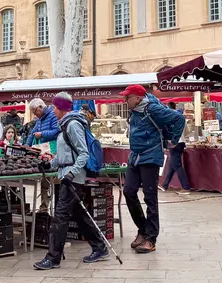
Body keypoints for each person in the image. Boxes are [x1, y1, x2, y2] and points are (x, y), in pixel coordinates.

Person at [34, 93, 109, 270]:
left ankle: (53, 258)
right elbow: (64, 155)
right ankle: (99, 247)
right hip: (66, 176)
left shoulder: (73, 124)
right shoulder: (65, 124)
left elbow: (83, 153)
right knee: (78, 214)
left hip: (72, 178)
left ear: (60, 108)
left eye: (54, 107)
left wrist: (72, 173)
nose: (52, 110)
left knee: (60, 217)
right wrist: (49, 164)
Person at [122, 84, 185, 254]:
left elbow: (179, 119)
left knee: (150, 197)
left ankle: (150, 238)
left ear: (137, 97)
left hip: (151, 156)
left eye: (128, 97)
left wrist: (173, 139)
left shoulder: (153, 109)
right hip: (135, 156)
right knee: (128, 191)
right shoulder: (135, 109)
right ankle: (143, 229)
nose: (125, 100)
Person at [161, 109, 192, 193]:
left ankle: (186, 187)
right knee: (172, 164)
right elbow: (187, 132)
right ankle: (165, 185)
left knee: (177, 165)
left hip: (174, 143)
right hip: (181, 142)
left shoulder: (168, 119)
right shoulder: (181, 119)